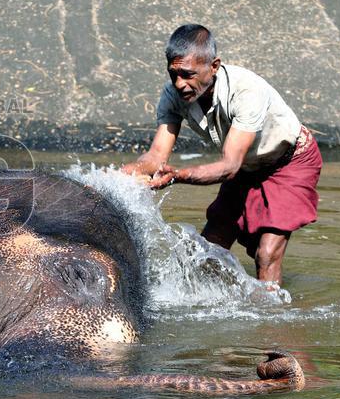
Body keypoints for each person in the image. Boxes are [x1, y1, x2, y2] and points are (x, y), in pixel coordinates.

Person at [122, 24, 322, 288]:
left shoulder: (246, 91)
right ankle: (221, 302)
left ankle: (272, 321)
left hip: (288, 161)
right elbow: (156, 156)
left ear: (214, 66)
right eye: (174, 74)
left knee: (267, 254)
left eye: (188, 74)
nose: (180, 84)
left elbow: (229, 166)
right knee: (208, 249)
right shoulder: (173, 95)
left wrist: (180, 176)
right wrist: (118, 177)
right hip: (248, 166)